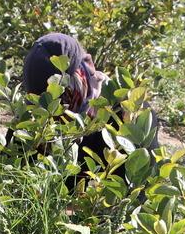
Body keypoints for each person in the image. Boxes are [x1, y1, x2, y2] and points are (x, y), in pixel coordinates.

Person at [18, 32, 160, 187]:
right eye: (43, 100)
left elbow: (138, 191)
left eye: (63, 93)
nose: (55, 110)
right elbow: (14, 179)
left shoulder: (131, 115)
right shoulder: (33, 118)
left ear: (88, 65)